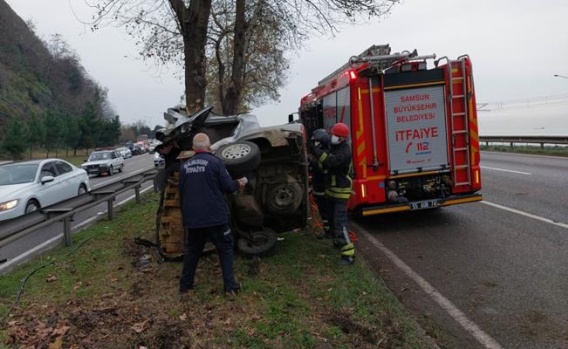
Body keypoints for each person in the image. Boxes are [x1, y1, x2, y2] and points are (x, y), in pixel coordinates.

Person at [178, 133, 247, 297]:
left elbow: (182, 193)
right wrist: (240, 183)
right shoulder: (216, 163)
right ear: (209, 147)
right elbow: (228, 186)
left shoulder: (184, 167)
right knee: (225, 248)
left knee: (193, 251)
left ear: (193, 148)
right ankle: (230, 287)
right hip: (216, 217)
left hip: (193, 218)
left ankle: (185, 286)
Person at [311, 122, 355, 266]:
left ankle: (348, 254)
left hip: (341, 192)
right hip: (331, 191)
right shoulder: (334, 147)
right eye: (333, 134)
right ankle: (337, 241)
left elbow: (330, 162)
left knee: (340, 222)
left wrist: (316, 151)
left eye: (337, 136)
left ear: (343, 138)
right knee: (330, 220)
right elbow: (323, 165)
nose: (334, 137)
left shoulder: (345, 151)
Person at [308, 128, 331, 238]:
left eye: (316, 141)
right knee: (323, 212)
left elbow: (320, 166)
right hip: (319, 187)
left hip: (324, 189)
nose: (315, 144)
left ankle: (330, 233)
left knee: (326, 212)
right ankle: (328, 232)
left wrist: (311, 159)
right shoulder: (322, 152)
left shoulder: (326, 153)